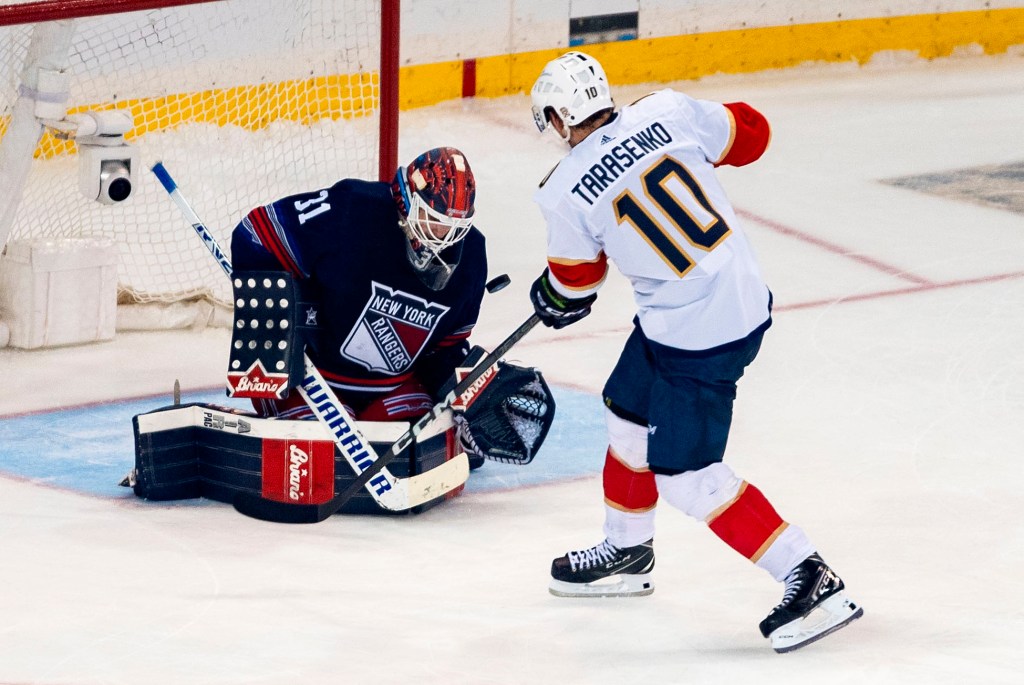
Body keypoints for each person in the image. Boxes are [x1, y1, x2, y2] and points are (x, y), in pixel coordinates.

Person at [527, 51, 862, 653]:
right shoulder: (667, 110)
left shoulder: (563, 192)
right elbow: (751, 133)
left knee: (687, 476)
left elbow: (576, 284)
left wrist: (550, 294)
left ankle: (809, 575)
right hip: (721, 301)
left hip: (697, 338)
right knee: (626, 412)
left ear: (557, 116)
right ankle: (628, 550)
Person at [230, 147, 487, 429]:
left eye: (454, 226)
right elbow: (254, 234)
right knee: (322, 453)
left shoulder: (471, 259)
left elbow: (442, 352)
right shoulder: (352, 210)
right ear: (406, 199)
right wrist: (284, 322)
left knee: (433, 436)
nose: (444, 236)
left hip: (390, 393)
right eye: (434, 219)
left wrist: (470, 391)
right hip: (312, 384)